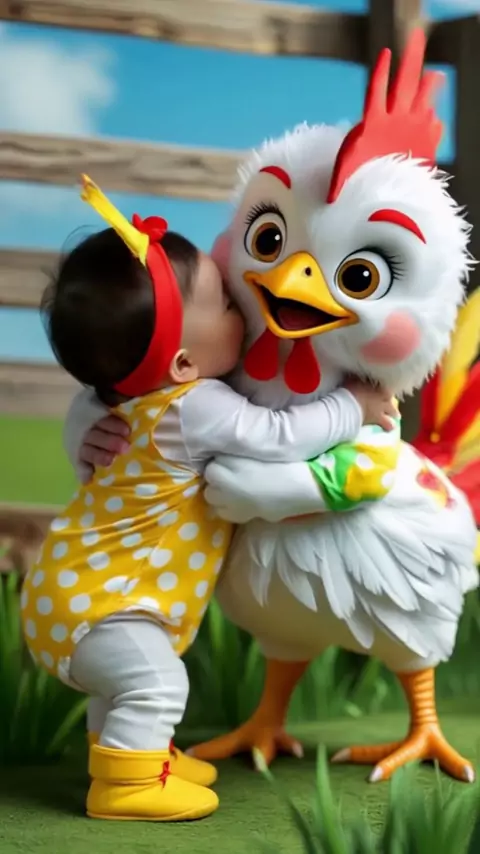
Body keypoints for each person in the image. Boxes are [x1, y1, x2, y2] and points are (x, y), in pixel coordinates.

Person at [21, 176, 397, 824]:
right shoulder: (194, 409)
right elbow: (279, 435)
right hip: (105, 607)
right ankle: (126, 787)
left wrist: (81, 424)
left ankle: (139, 757)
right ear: (183, 366)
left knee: (129, 681)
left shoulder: (117, 402)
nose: (238, 310)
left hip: (69, 597)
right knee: (156, 681)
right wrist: (352, 406)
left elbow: (86, 404)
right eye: (224, 302)